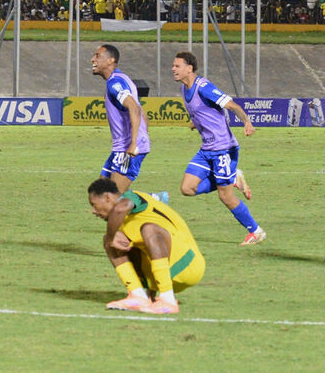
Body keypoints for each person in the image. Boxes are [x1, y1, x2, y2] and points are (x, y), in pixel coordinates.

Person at [172, 51, 266, 245]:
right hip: (206, 149)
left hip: (223, 149)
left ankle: (256, 231)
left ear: (189, 68)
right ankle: (233, 178)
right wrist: (195, 122)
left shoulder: (204, 87)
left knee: (226, 197)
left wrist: (247, 122)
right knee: (187, 188)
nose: (173, 69)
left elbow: (230, 105)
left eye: (177, 66)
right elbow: (202, 112)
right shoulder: (183, 90)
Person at [88, 178, 205, 314]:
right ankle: (138, 296)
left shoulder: (130, 197)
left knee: (148, 230)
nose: (93, 211)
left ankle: (168, 300)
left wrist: (110, 238)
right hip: (162, 277)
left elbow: (121, 208)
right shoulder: (123, 223)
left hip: (188, 266)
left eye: (94, 204)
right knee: (114, 242)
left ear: (107, 197)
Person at [91, 45, 165, 201]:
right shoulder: (122, 79)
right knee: (99, 194)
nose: (93, 59)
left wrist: (134, 143)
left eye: (97, 56)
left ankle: (153, 201)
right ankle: (154, 198)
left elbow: (134, 108)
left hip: (127, 149)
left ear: (111, 60)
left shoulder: (115, 83)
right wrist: (142, 137)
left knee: (110, 199)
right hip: (121, 148)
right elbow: (141, 111)